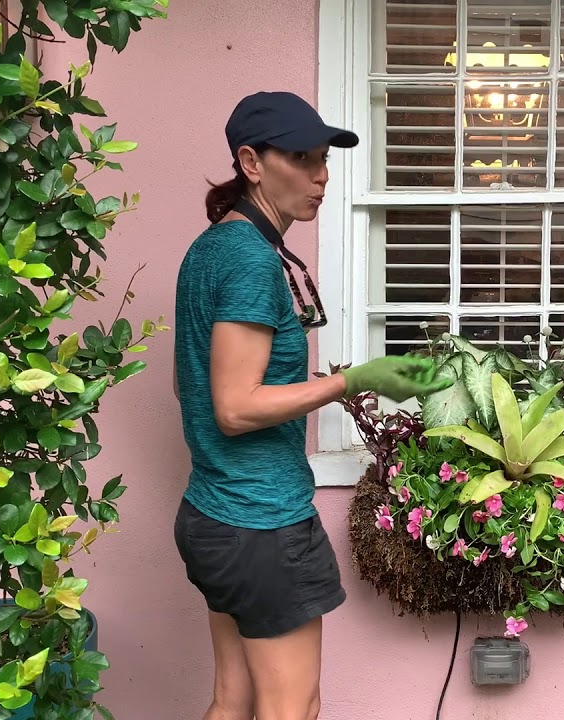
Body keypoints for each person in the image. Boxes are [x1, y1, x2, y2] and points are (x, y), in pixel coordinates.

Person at [171, 91, 451, 720]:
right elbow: (234, 408)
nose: (320, 175)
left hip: (215, 515)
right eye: (301, 158)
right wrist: (354, 380)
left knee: (233, 701)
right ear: (251, 162)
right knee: (292, 707)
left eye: (322, 158)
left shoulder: (214, 247)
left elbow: (199, 388)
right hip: (260, 522)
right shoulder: (249, 258)